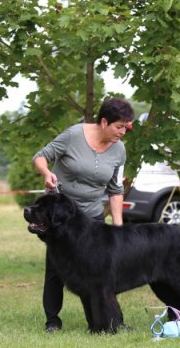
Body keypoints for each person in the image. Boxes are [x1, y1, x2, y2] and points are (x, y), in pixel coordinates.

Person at [32, 97, 135, 332]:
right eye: (119, 127)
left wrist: (119, 226)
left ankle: (112, 320)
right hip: (60, 216)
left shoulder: (119, 150)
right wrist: (47, 172)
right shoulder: (74, 135)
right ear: (104, 122)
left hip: (92, 219)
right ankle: (53, 321)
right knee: (57, 269)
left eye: (126, 127)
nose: (122, 132)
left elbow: (116, 189)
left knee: (102, 273)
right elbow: (40, 156)